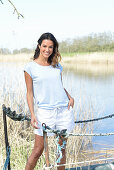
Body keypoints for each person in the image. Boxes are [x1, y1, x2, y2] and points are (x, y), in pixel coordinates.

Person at [24, 32, 75, 170]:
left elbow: (59, 86)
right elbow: (29, 93)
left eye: (51, 47)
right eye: (44, 46)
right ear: (39, 46)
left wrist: (70, 97)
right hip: (45, 113)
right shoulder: (30, 68)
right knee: (37, 150)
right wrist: (33, 115)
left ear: (54, 48)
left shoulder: (56, 66)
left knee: (61, 150)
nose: (47, 49)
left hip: (64, 111)